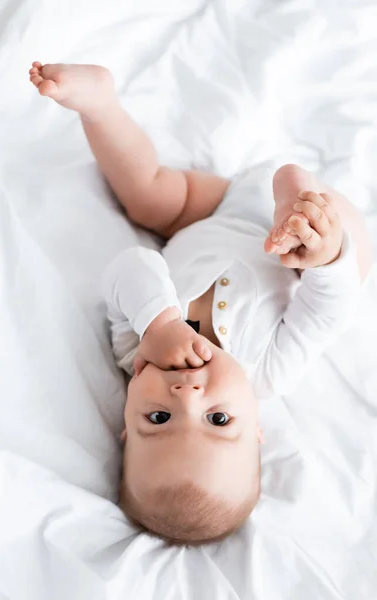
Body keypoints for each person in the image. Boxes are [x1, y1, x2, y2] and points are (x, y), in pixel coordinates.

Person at [29, 62, 372, 545]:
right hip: (285, 240)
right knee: (342, 269)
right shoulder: (269, 370)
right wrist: (325, 258)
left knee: (147, 199)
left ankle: (100, 106)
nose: (186, 396)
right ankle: (308, 215)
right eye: (218, 419)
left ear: (125, 427)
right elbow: (326, 312)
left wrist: (160, 323)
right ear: (256, 426)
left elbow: (132, 265)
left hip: (214, 213)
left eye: (158, 419)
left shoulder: (136, 351)